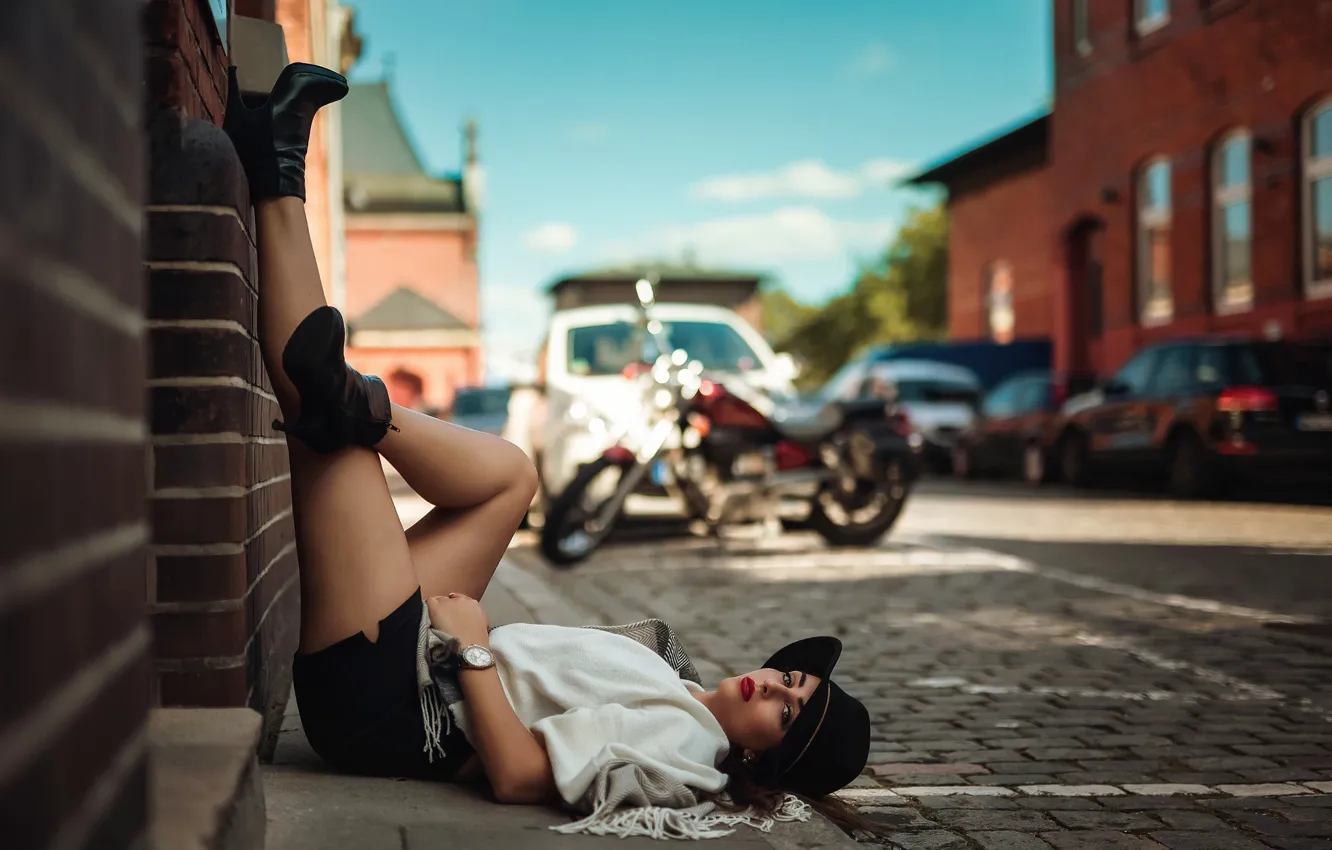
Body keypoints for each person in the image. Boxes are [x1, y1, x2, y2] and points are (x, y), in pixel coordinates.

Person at [223, 62, 871, 838]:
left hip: (385, 711)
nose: (773, 687)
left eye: (785, 712)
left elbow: (521, 776)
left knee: (334, 444)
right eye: (789, 677)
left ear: (762, 760)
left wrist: (473, 652)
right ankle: (356, 392)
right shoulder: (684, 691)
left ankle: (282, 184)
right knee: (510, 476)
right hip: (416, 666)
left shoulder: (687, 745)